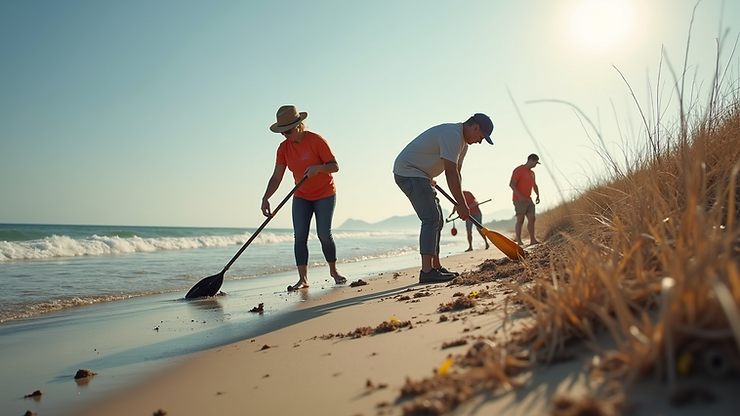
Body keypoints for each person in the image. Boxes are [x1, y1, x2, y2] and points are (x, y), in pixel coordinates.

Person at [393, 113, 494, 283]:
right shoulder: (452, 135)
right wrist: (462, 204)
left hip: (422, 175)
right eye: (481, 137)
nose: (480, 141)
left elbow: (457, 173)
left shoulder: (464, 144)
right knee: (430, 217)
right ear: (475, 127)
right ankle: (427, 271)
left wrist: (462, 203)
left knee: (437, 220)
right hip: (409, 171)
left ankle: (436, 266)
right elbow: (450, 173)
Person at [261, 105, 347, 291]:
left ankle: (334, 271)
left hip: (325, 193)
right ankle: (303, 279)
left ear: (299, 125)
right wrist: (266, 197)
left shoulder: (316, 141)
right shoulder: (283, 149)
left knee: (324, 233)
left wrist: (318, 168)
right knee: (300, 236)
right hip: (301, 195)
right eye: (282, 132)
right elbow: (277, 177)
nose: (285, 135)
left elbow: (334, 166)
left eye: (288, 131)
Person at [509, 153, 541, 246]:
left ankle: (533, 240)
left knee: (532, 218)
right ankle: (519, 241)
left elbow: (534, 185)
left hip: (528, 199)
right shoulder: (519, 170)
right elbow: (511, 184)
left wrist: (538, 195)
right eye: (535, 162)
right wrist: (520, 196)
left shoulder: (532, 173)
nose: (536, 165)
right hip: (519, 199)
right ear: (531, 160)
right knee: (520, 220)